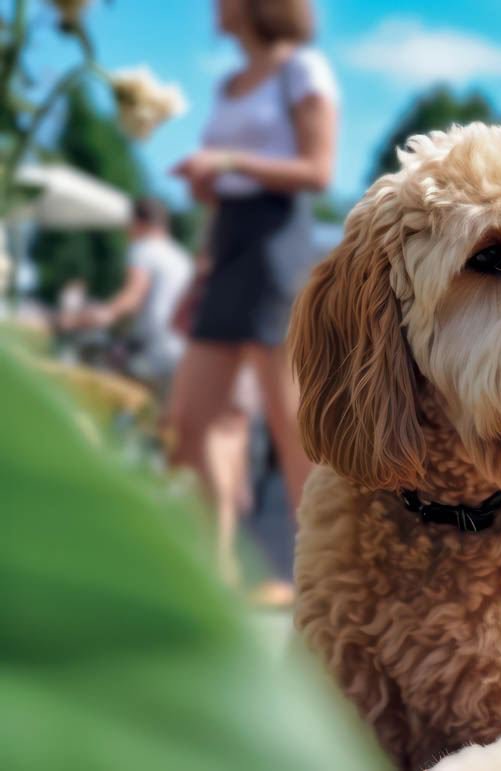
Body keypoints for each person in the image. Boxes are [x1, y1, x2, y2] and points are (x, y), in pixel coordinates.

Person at [168, 0, 339, 593]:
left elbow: (319, 171)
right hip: (229, 243)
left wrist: (230, 159)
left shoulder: (303, 70)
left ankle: (328, 580)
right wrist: (199, 270)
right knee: (191, 422)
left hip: (275, 245)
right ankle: (208, 582)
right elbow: (222, 193)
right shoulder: (226, 84)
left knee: (294, 426)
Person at [60, 197, 193, 391]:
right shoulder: (182, 257)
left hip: (153, 348)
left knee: (96, 383)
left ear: (138, 223)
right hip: (182, 349)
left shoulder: (144, 249)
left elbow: (132, 297)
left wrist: (99, 314)